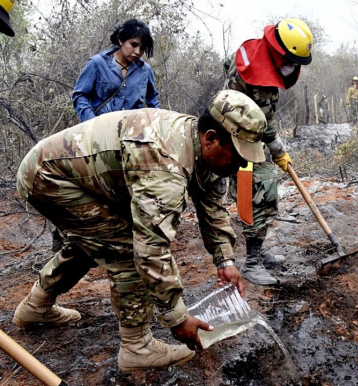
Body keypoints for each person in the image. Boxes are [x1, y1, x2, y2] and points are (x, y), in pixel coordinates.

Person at [12, 90, 268, 370]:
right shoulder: (165, 164)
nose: (242, 165)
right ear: (211, 138)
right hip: (49, 178)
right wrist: (177, 318)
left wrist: (225, 260)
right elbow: (151, 248)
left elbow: (213, 207)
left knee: (94, 239)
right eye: (239, 156)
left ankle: (35, 308)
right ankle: (136, 347)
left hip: (86, 179)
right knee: (123, 246)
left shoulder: (205, 151)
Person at [223, 18, 313, 286]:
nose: (293, 67)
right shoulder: (261, 79)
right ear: (279, 53)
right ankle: (251, 264)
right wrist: (278, 150)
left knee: (262, 194)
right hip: (241, 141)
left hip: (244, 133)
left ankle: (258, 253)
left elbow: (227, 64)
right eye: (292, 62)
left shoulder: (253, 53)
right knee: (258, 196)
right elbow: (264, 125)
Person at [72, 19, 160, 123]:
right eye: (133, 45)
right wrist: (92, 123)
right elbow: (80, 95)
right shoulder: (98, 63)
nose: (137, 52)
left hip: (131, 133)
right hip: (101, 131)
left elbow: (153, 102)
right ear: (121, 40)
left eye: (142, 48)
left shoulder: (145, 70)